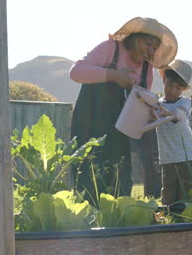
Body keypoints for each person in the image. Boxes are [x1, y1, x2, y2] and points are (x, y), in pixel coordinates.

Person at [69, 17, 178, 202]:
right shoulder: (110, 49)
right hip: (89, 121)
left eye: (154, 48)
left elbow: (144, 100)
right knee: (88, 171)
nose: (150, 51)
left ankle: (119, 220)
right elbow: (76, 72)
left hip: (118, 128)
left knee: (119, 173)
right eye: (148, 44)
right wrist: (113, 75)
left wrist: (150, 112)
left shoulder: (146, 69)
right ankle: (87, 221)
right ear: (135, 38)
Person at [155, 59, 192, 206]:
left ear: (183, 89)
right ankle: (168, 214)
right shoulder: (156, 104)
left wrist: (166, 113)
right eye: (170, 85)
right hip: (167, 156)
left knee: (187, 188)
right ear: (164, 80)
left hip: (186, 154)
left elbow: (180, 115)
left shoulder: (184, 102)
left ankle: (186, 215)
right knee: (168, 188)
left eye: (178, 88)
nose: (173, 91)